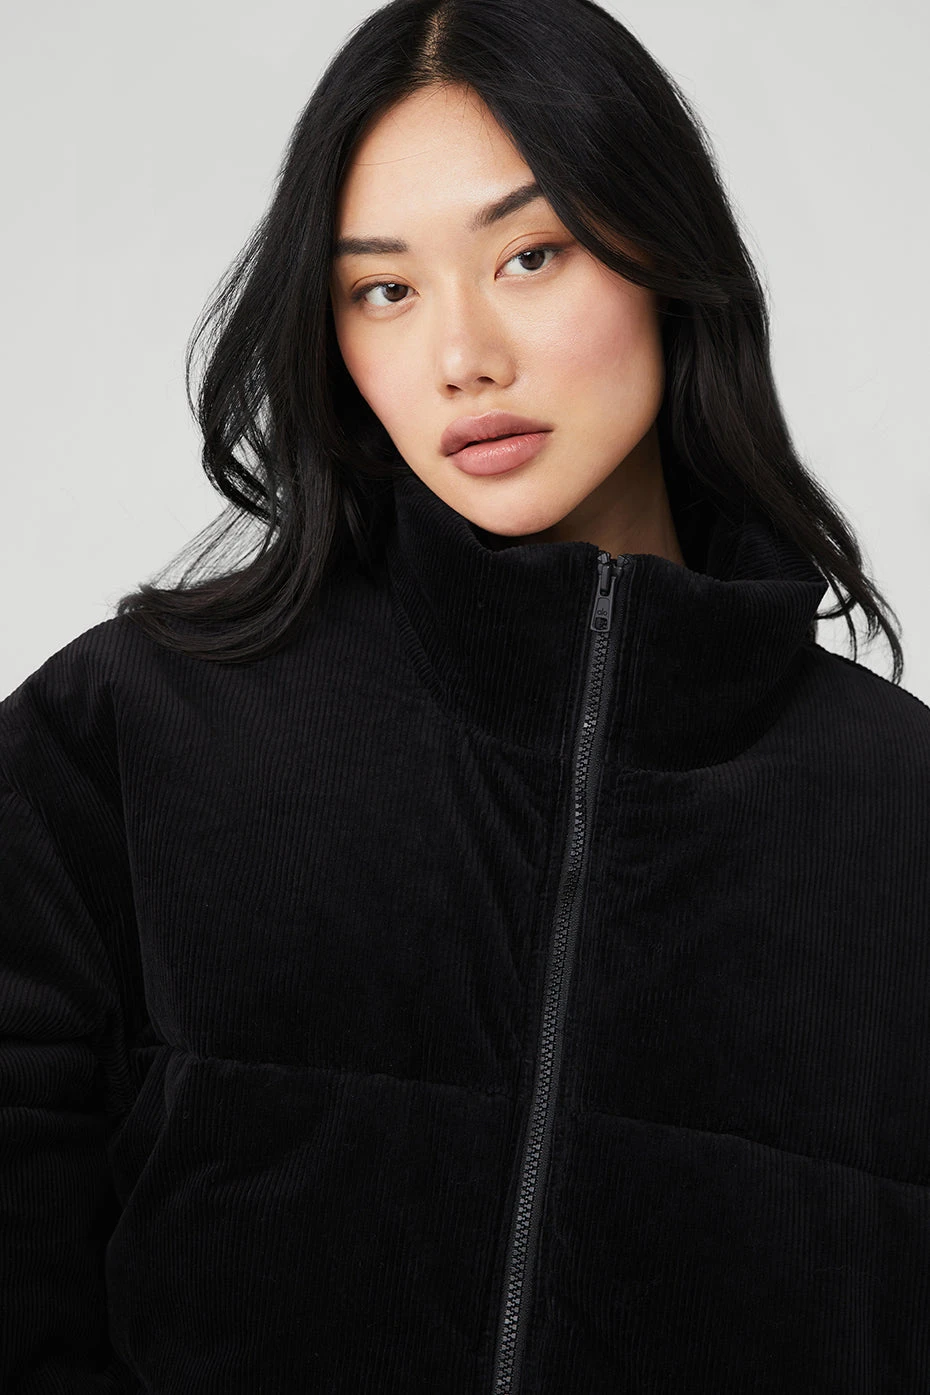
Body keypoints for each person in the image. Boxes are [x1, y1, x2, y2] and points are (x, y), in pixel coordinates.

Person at [2, 0, 928, 1390]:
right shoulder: (130, 737)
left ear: (665, 255)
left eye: (530, 255)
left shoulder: (899, 810)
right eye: (384, 289)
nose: (462, 355)